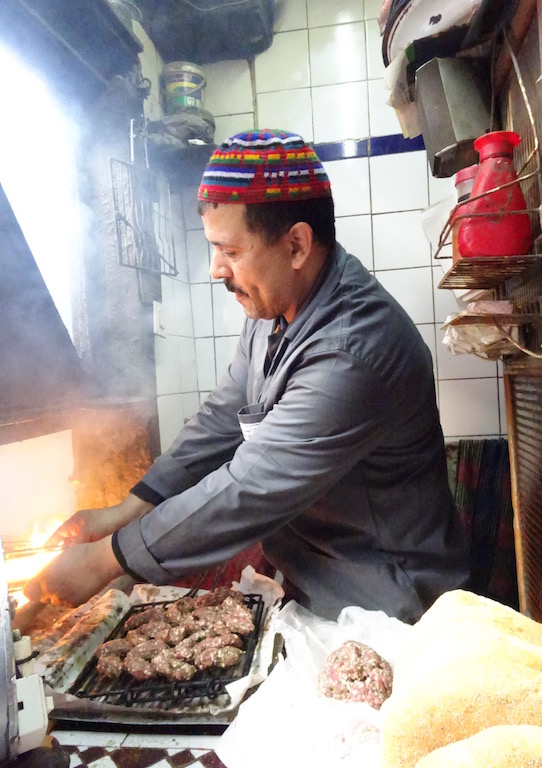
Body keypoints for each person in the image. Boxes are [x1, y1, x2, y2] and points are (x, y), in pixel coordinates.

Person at [24, 129, 469, 622]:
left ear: (296, 244)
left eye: (230, 251)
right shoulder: (275, 311)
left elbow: (249, 488)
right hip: (313, 576)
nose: (216, 269)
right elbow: (221, 419)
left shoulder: (353, 350)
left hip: (385, 601)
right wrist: (124, 512)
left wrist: (105, 560)